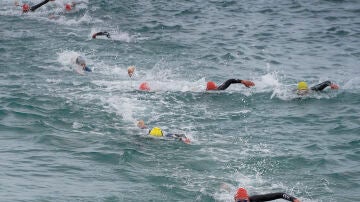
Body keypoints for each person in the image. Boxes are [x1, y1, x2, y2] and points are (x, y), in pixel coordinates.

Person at [234, 187, 300, 202]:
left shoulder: (255, 199)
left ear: (248, 199)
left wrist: (293, 199)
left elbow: (280, 194)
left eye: (245, 201)